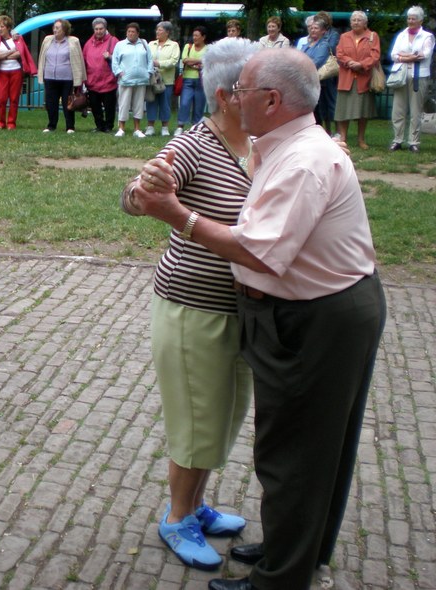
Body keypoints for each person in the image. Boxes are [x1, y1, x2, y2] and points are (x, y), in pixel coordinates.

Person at [131, 47, 386, 590]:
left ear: (269, 100)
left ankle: (282, 574)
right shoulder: (278, 145)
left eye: (241, 90)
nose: (228, 97)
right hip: (261, 311)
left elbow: (264, 252)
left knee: (296, 451)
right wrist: (146, 192)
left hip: (315, 319)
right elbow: (138, 194)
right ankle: (284, 547)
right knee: (274, 441)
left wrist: (179, 216)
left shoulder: (300, 156)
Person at [122, 37, 258, 571]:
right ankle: (177, 517)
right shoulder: (194, 144)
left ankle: (197, 507)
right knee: (197, 421)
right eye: (256, 85)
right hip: (192, 311)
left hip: (239, 310)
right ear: (226, 95)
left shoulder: (257, 142)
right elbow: (138, 196)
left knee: (223, 417)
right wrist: (144, 188)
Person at [389, 5, 435, 152]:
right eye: (409, 18)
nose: (410, 21)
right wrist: (411, 57)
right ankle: (397, 140)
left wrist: (403, 57)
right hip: (401, 75)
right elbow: (393, 55)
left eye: (413, 19)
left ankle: (413, 142)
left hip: (419, 76)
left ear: (420, 21)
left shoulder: (427, 36)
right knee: (398, 109)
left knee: (415, 110)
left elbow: (424, 55)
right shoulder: (402, 35)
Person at [335, 11, 380, 150]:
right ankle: (343, 138)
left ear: (365, 23)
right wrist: (350, 62)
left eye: (359, 20)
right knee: (343, 110)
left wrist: (361, 64)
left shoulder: (373, 36)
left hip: (363, 78)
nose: (355, 22)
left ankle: (361, 139)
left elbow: (375, 55)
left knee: (363, 111)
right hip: (346, 77)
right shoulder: (344, 36)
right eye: (353, 20)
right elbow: (339, 53)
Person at [37, 19, 86, 134]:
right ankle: (51, 125)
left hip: (67, 78)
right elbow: (42, 57)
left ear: (64, 29)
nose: (55, 30)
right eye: (54, 27)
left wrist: (79, 78)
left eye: (58, 28)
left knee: (67, 103)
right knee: (51, 103)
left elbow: (79, 60)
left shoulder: (73, 41)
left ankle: (70, 126)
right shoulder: (47, 40)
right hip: (50, 77)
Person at [0, 15, 36, 130]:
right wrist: (11, 51)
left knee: (14, 98)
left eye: (2, 26)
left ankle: (11, 123)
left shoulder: (18, 39)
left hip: (16, 72)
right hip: (2, 73)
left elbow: (20, 53)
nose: (0, 29)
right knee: (2, 98)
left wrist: (5, 55)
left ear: (8, 27)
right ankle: (1, 122)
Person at [111, 22, 152, 138]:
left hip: (141, 80)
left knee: (138, 105)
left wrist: (148, 73)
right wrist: (119, 73)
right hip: (125, 80)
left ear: (138, 33)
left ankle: (137, 129)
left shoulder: (144, 44)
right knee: (123, 104)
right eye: (128, 31)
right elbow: (115, 61)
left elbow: (150, 59)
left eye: (133, 32)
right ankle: (121, 128)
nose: (130, 34)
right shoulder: (120, 45)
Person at [82, 18, 119, 133]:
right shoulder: (89, 43)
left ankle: (108, 126)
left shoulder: (113, 41)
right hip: (92, 82)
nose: (98, 31)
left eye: (101, 29)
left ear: (105, 28)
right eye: (96, 29)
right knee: (95, 107)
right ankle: (99, 125)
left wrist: (110, 57)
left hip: (108, 81)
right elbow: (84, 59)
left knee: (109, 107)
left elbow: (119, 58)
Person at [302, 15, 336, 134]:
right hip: (306, 81)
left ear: (323, 31)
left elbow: (317, 62)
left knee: (319, 111)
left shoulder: (324, 45)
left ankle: (321, 133)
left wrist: (301, 66)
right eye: (311, 27)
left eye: (316, 28)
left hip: (320, 83)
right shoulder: (306, 45)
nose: (312, 30)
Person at [146, 21, 180, 137]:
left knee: (165, 103)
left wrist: (159, 63)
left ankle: (165, 127)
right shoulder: (151, 44)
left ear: (167, 32)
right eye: (157, 30)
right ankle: (150, 126)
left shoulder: (174, 45)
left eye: (160, 30)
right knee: (151, 102)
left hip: (166, 80)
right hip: (152, 79)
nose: (157, 32)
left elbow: (174, 61)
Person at [176, 26, 208, 136]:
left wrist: (193, 62)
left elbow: (207, 63)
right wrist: (199, 62)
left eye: (197, 36)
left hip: (202, 80)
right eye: (193, 35)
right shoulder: (188, 47)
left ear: (203, 37)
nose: (194, 38)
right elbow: (185, 60)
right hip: (188, 79)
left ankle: (196, 128)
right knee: (184, 103)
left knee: (199, 105)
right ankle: (180, 126)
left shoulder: (208, 49)